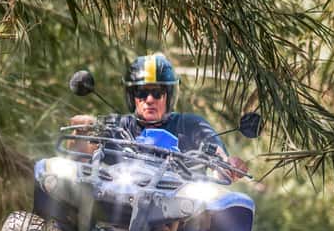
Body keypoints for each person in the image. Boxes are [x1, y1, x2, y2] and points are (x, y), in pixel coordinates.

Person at [70, 53, 248, 180]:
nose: (149, 100)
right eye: (141, 92)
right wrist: (81, 131)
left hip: (181, 209)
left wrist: (228, 164)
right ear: (132, 96)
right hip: (120, 203)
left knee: (226, 208)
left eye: (157, 93)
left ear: (169, 96)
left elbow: (217, 152)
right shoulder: (117, 126)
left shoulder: (191, 125)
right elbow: (79, 161)